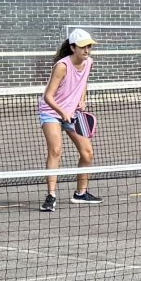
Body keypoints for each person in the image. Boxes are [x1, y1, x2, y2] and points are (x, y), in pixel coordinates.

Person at [38, 28, 100, 212]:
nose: (87, 50)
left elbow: (84, 82)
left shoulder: (89, 62)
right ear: (73, 48)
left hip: (72, 113)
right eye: (83, 47)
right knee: (56, 150)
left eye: (89, 46)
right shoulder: (62, 66)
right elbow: (48, 96)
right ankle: (51, 196)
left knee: (87, 153)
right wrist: (62, 111)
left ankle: (81, 193)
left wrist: (82, 98)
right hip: (51, 111)